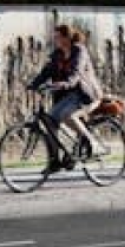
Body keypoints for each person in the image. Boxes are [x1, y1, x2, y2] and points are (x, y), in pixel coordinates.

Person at [27, 24, 104, 171]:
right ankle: (54, 161)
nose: (55, 40)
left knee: (69, 116)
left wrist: (65, 83)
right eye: (55, 37)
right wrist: (34, 84)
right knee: (49, 121)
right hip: (69, 95)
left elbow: (76, 73)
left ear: (67, 38)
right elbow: (46, 71)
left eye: (58, 37)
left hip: (86, 95)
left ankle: (93, 143)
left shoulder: (79, 51)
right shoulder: (57, 54)